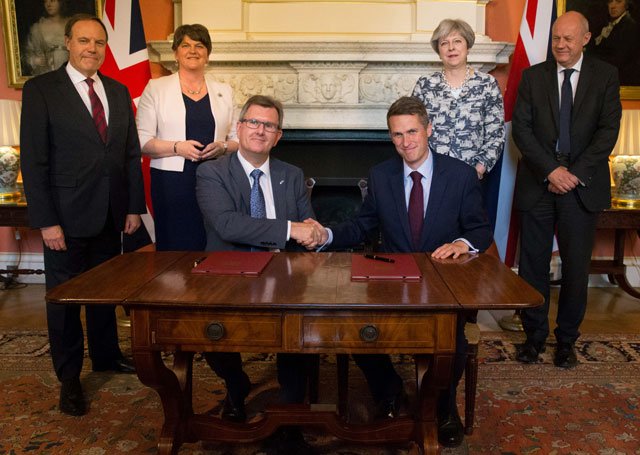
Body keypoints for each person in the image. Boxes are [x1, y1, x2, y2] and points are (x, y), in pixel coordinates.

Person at [306, 96, 492, 448]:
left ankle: (443, 405)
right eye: (397, 135)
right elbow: (363, 225)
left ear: (428, 130)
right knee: (357, 332)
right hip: (392, 278)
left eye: (412, 132)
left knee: (451, 342)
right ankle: (388, 391)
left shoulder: (461, 174)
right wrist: (326, 234)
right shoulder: (380, 175)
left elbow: (480, 228)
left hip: (443, 280)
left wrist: (463, 243)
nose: (405, 142)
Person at [20, 14, 146, 417]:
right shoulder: (42, 90)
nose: (92, 48)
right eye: (84, 41)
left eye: (99, 43)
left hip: (111, 213)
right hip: (65, 218)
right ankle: (69, 377)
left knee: (104, 296)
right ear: (69, 44)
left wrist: (133, 208)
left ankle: (106, 357)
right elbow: (36, 162)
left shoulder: (119, 89)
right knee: (64, 302)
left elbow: (128, 154)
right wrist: (46, 221)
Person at [195, 95, 322, 454]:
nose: (260, 130)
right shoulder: (212, 171)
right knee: (209, 331)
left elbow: (304, 222)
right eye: (253, 122)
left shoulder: (291, 175)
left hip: (283, 272)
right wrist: (290, 229)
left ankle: (291, 413)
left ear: (278, 136)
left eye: (269, 125)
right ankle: (236, 384)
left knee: (300, 325)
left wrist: (313, 231)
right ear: (239, 127)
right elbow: (227, 224)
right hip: (228, 273)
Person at [512, 12, 621, 369]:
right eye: (556, 38)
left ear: (586, 39)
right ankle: (533, 338)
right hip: (539, 183)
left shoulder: (605, 76)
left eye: (568, 39)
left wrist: (572, 174)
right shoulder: (532, 77)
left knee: (575, 268)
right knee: (532, 267)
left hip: (581, 186)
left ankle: (566, 341)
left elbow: (607, 133)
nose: (560, 45)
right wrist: (552, 170)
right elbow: (522, 131)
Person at [136, 24, 238, 251]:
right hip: (172, 183)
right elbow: (141, 141)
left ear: (207, 54)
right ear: (176, 53)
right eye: (186, 45)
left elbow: (238, 139)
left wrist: (222, 146)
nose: (193, 50)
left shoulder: (224, 91)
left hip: (216, 179)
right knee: (176, 246)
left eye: (199, 45)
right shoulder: (156, 88)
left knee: (214, 241)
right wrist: (176, 147)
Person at [412, 19, 504, 183]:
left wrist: (477, 171)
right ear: (438, 51)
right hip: (431, 177)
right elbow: (413, 129)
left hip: (472, 176)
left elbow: (495, 135)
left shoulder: (487, 84)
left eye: (457, 41)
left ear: (467, 46)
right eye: (444, 43)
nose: (451, 48)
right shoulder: (425, 85)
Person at [586, 0, 640, 86]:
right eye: (610, 1)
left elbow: (617, 59)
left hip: (621, 80)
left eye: (618, 1)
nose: (613, 6)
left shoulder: (630, 27)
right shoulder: (609, 25)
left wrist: (587, 58)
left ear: (627, 4)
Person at [24, 0, 70, 75]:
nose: (48, 4)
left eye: (52, 1)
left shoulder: (70, 24)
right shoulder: (38, 27)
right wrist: (35, 60)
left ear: (61, 2)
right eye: (46, 1)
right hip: (48, 72)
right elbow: (28, 53)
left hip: (69, 72)